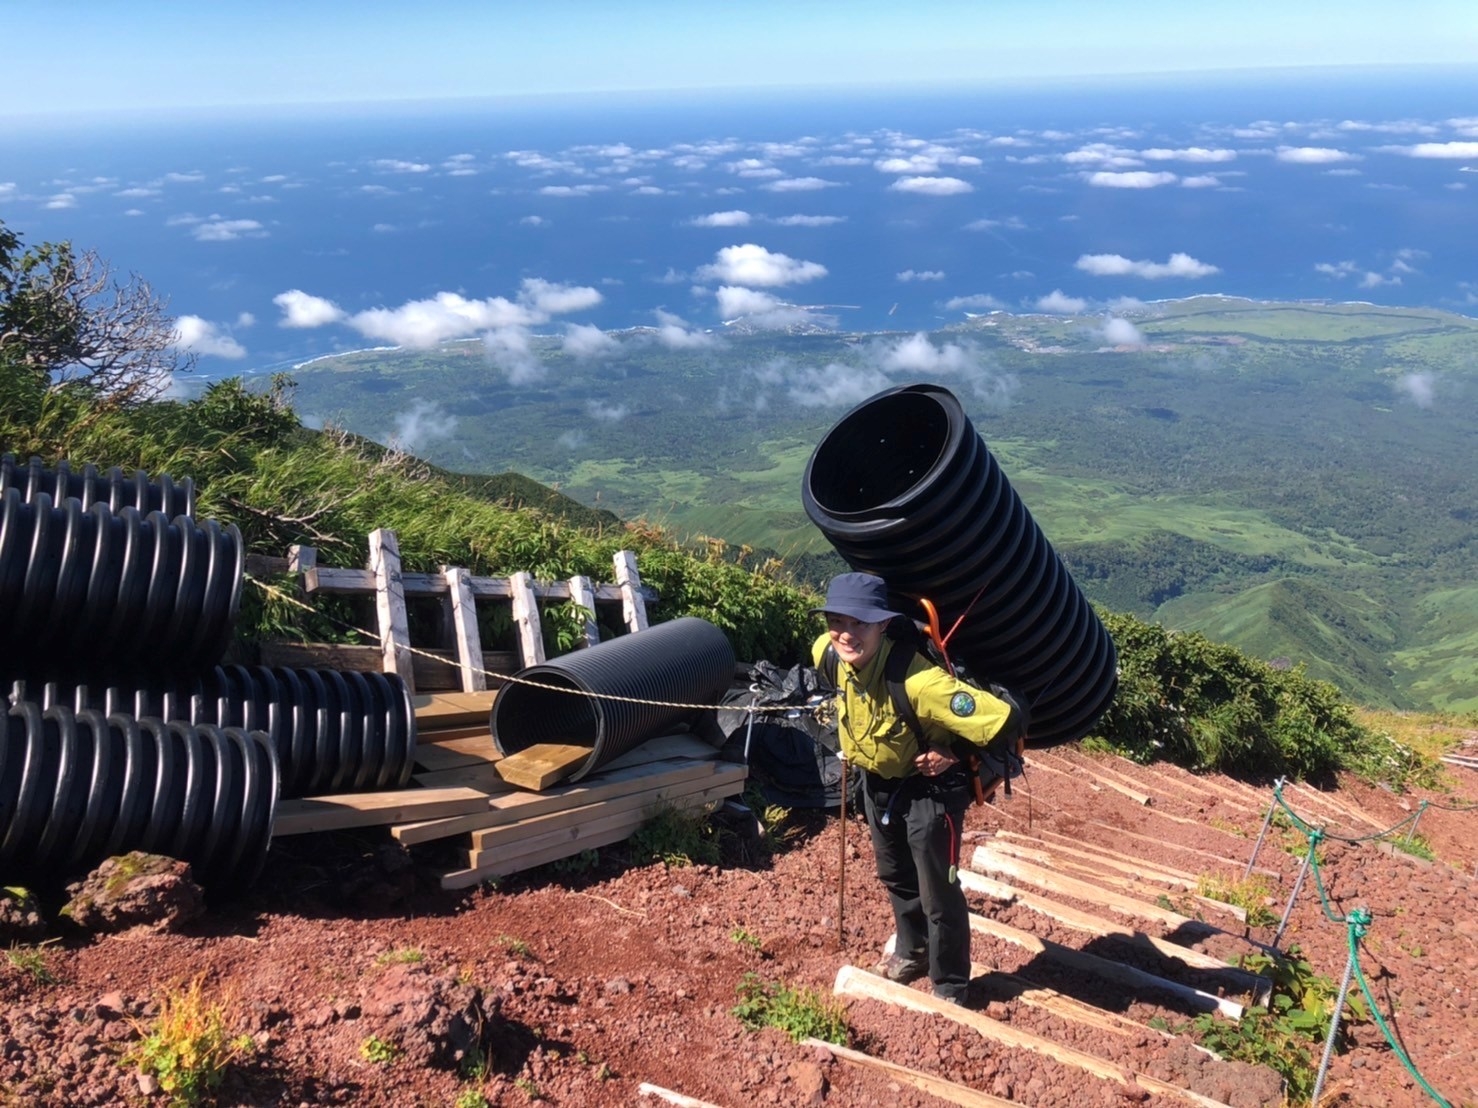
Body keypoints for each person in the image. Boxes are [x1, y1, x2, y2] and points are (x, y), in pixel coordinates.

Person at [811, 571, 1013, 1006]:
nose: (845, 634)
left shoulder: (920, 681)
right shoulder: (827, 654)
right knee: (895, 874)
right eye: (836, 621)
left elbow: (1003, 720)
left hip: (929, 792)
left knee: (938, 890)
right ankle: (912, 952)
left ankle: (950, 985)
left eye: (859, 622)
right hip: (877, 783)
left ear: (883, 624)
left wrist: (954, 751)